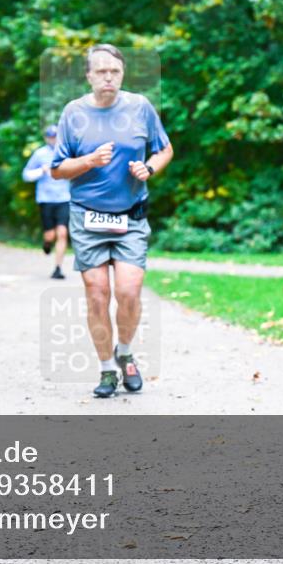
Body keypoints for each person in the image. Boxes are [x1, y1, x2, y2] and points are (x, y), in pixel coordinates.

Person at [51, 44, 174, 398]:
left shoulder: (140, 107)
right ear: (89, 76)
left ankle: (125, 352)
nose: (108, 77)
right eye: (101, 71)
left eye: (115, 71)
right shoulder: (73, 113)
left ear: (122, 74)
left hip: (130, 216)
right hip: (87, 216)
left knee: (129, 291)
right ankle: (107, 370)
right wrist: (88, 161)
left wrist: (148, 167)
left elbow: (164, 148)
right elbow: (58, 170)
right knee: (97, 294)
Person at [22, 125, 72, 279]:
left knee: (62, 233)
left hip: (64, 199)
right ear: (46, 138)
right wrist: (41, 171)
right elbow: (25, 175)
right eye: (50, 136)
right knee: (50, 235)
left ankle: (58, 268)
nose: (53, 139)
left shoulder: (68, 153)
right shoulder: (39, 154)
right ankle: (47, 243)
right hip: (46, 199)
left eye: (56, 136)